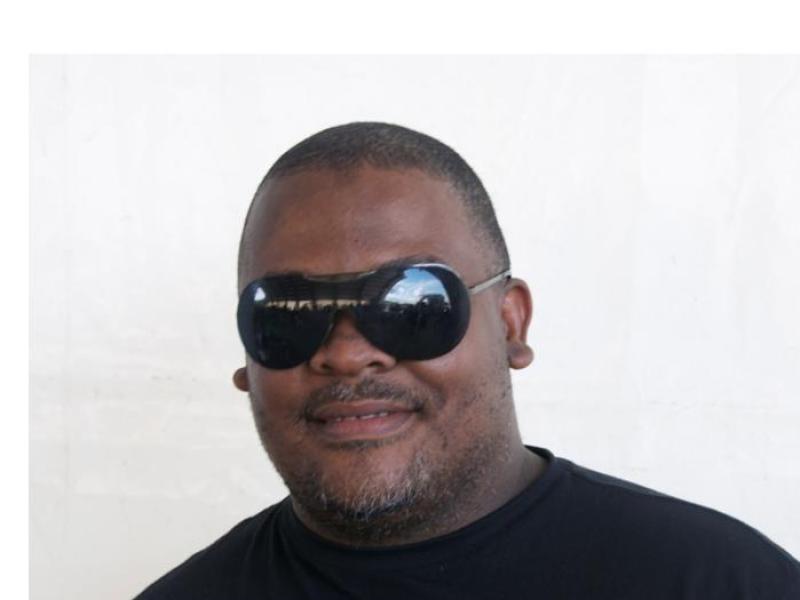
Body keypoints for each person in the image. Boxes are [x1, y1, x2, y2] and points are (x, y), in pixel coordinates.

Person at [135, 122, 800, 599]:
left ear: (510, 324)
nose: (347, 353)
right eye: (286, 313)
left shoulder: (723, 582)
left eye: (412, 304)